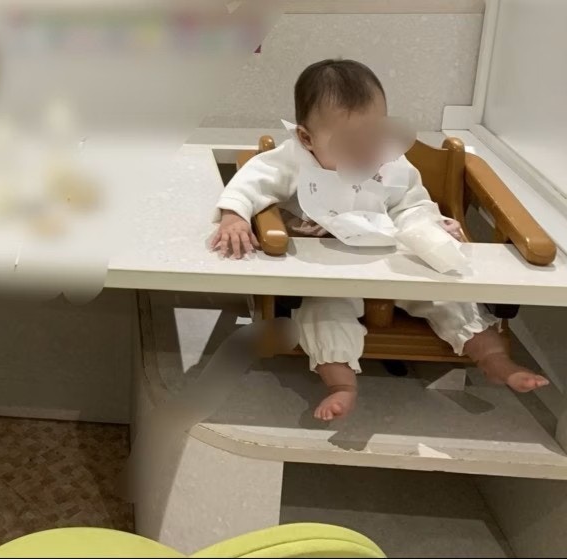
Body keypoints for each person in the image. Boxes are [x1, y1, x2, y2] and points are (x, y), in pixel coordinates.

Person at [210, 58, 549, 421]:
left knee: (450, 299)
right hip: (331, 275)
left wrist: (429, 227)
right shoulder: (293, 159)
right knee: (321, 315)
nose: (366, 153)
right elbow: (253, 180)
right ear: (307, 139)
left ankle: (495, 360)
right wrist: (235, 215)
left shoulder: (391, 162)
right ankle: (341, 385)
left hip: (395, 265)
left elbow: (412, 203)